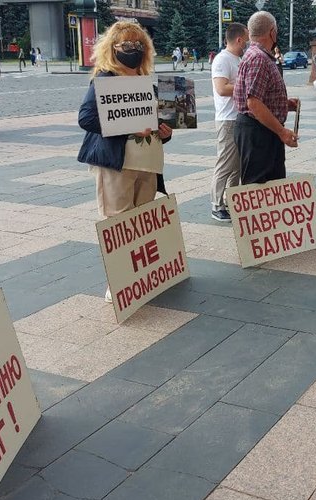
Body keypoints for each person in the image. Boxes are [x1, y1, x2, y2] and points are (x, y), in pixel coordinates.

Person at [76, 21, 173, 302]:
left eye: (138, 45)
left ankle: (139, 277)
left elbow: (159, 127)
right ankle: (118, 283)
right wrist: (127, 127)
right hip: (116, 164)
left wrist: (165, 132)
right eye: (126, 45)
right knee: (118, 225)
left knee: (141, 223)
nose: (132, 50)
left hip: (148, 164)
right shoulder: (104, 80)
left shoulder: (148, 84)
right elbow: (86, 119)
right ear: (113, 49)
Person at [233, 11, 299, 185]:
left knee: (271, 189)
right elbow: (253, 103)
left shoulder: (259, 56)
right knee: (258, 191)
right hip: (258, 133)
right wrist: (282, 132)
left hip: (260, 130)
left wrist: (284, 104)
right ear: (272, 32)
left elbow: (260, 97)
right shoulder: (259, 58)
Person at [210, 22, 249, 222]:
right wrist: (245, 86)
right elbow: (221, 88)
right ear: (239, 39)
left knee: (237, 166)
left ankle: (232, 200)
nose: (248, 42)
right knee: (225, 163)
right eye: (247, 38)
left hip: (239, 117)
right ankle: (216, 204)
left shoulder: (239, 58)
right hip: (227, 120)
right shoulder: (222, 59)